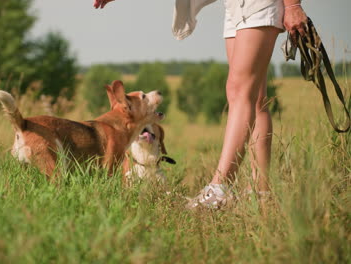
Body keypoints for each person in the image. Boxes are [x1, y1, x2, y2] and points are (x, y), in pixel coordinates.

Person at [93, 0, 308, 209]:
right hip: (235, 6)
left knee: (239, 91)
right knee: (255, 98)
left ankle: (219, 187)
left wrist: (292, 5)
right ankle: (261, 193)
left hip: (257, 4)